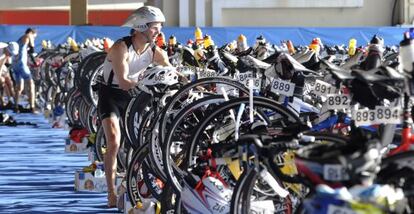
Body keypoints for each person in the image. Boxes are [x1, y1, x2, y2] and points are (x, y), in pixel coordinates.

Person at [97, 6, 171, 208]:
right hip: (111, 95)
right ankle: (111, 192)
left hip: (135, 97)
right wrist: (144, 82)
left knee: (139, 144)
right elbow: (123, 82)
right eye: (155, 27)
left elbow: (172, 73)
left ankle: (133, 184)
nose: (159, 32)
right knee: (113, 141)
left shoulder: (155, 51)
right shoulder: (120, 47)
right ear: (141, 27)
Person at [12, 28, 37, 113]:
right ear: (31, 33)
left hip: (15, 64)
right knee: (31, 85)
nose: (33, 39)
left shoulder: (20, 40)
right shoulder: (27, 36)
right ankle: (32, 107)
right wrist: (32, 46)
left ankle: (15, 106)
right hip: (21, 65)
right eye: (34, 37)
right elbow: (29, 36)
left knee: (19, 87)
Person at [0, 42, 19, 109]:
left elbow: (2, 63)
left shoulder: (6, 52)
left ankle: (12, 101)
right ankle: (2, 102)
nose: (10, 55)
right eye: (10, 53)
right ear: (7, 49)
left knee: (9, 81)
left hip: (1, 64)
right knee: (2, 82)